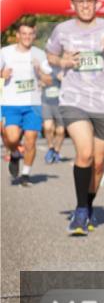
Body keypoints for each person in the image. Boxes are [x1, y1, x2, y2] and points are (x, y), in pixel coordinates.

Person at [46, 0, 104, 235]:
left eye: (89, 1)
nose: (85, 6)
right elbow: (50, 55)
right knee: (84, 153)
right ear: (72, 4)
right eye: (80, 1)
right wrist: (63, 61)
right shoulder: (62, 30)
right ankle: (81, 210)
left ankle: (89, 205)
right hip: (73, 99)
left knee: (99, 163)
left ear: (97, 2)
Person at [1, 20, 53, 186]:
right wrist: (2, 75)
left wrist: (39, 72)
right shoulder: (5, 52)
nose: (27, 37)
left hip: (33, 103)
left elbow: (49, 80)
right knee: (11, 138)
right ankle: (15, 153)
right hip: (10, 102)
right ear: (17, 35)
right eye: (24, 34)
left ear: (34, 35)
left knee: (31, 139)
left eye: (30, 34)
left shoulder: (40, 54)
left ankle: (25, 174)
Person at [41, 64, 66, 164]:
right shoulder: (43, 65)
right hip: (46, 102)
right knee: (47, 127)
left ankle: (57, 151)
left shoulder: (63, 66)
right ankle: (51, 148)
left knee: (61, 131)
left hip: (60, 103)